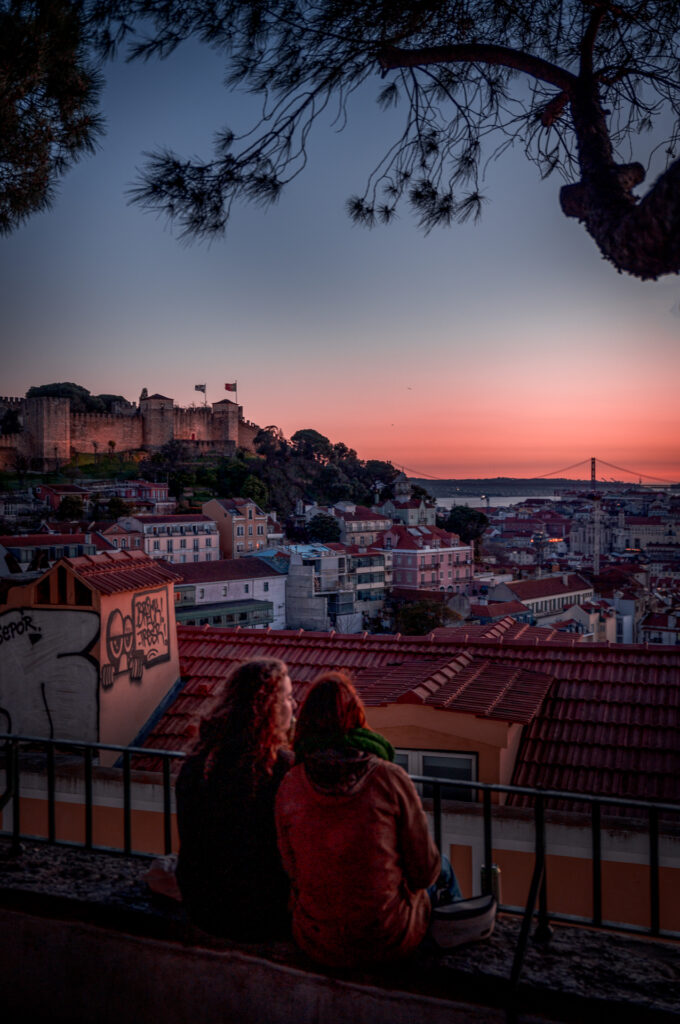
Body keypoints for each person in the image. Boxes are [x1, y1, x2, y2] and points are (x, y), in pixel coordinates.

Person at [275, 670, 441, 968]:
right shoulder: (388, 779)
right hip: (388, 938)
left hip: (316, 939)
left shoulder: (290, 785)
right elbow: (424, 873)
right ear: (357, 717)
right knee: (444, 871)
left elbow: (291, 869)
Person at [175, 658, 295, 939]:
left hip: (203, 908)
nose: (294, 705)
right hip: (264, 913)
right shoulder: (281, 769)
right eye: (288, 697)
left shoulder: (198, 763)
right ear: (269, 707)